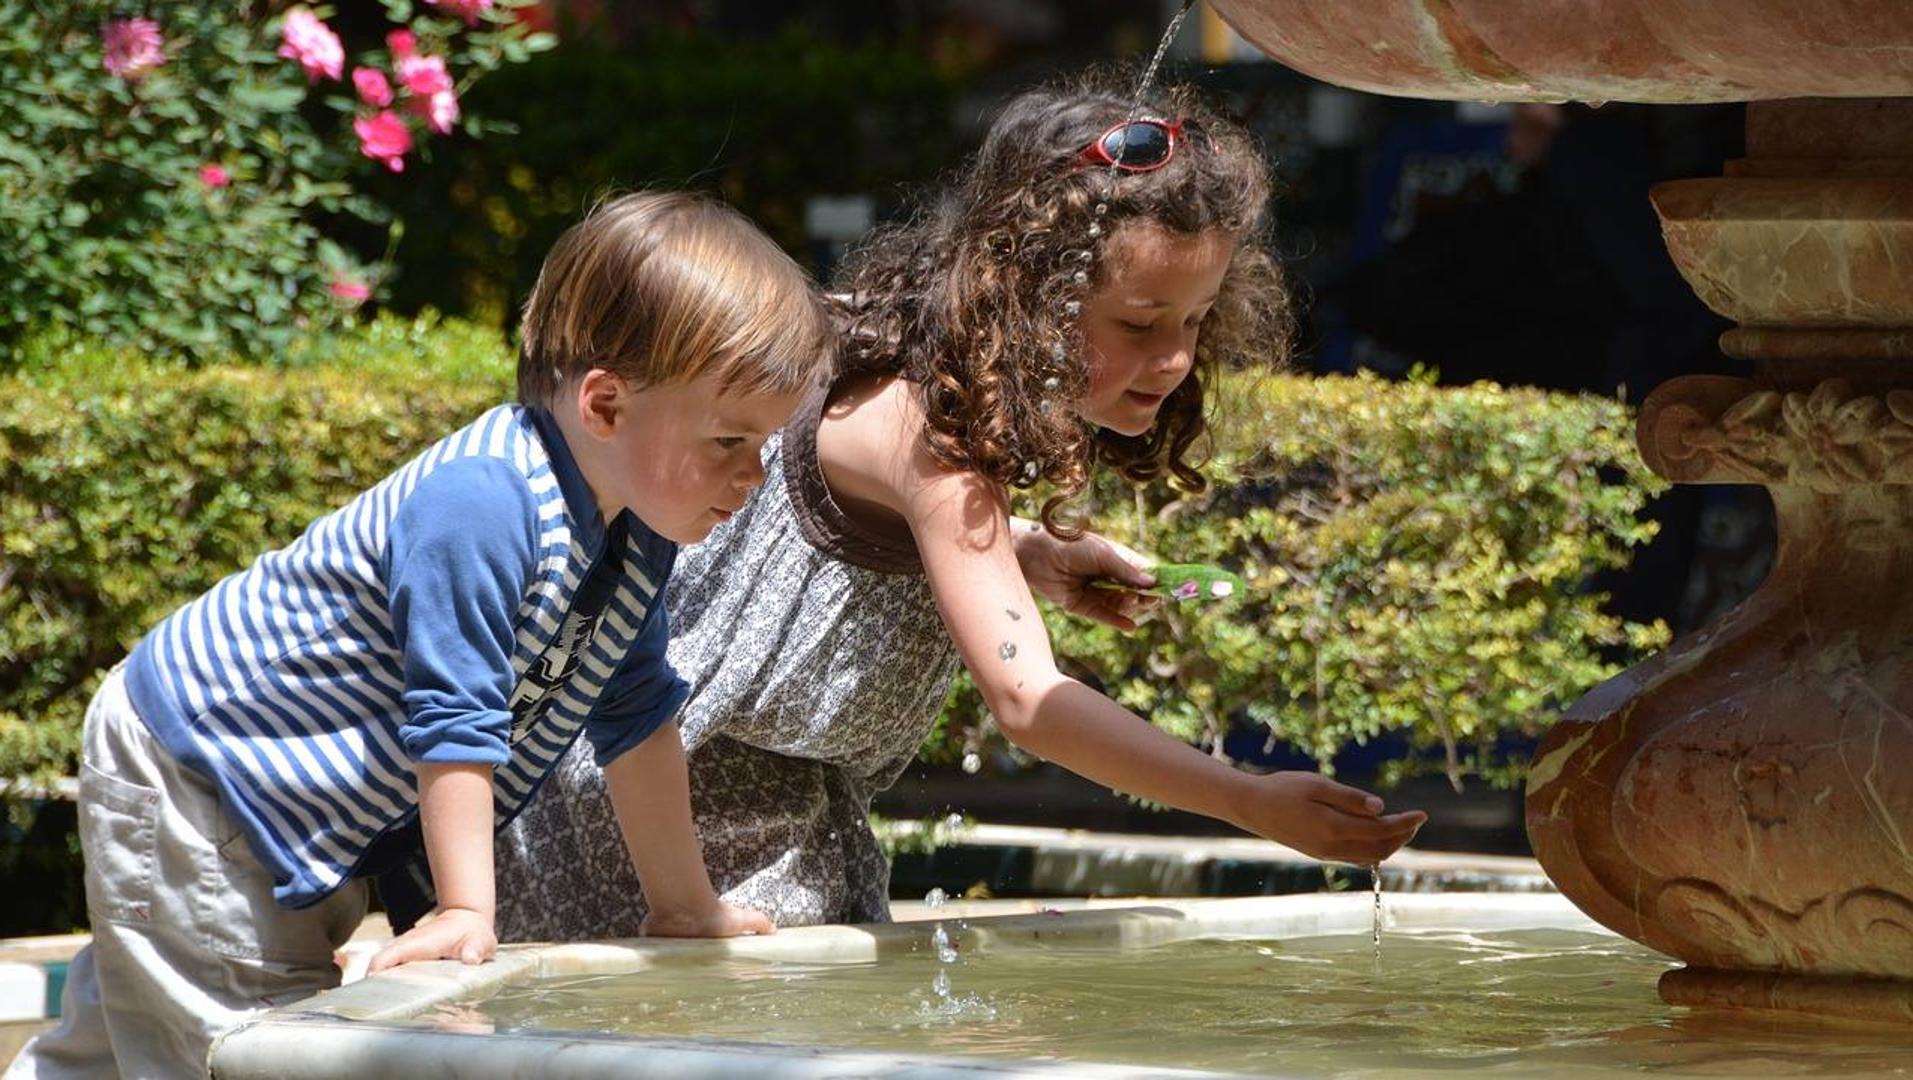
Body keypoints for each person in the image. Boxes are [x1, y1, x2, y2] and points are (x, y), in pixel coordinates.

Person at [487, 77, 1428, 941]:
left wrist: (1021, 550)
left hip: (734, 814)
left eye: (1195, 319)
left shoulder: (894, 350)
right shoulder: (931, 439)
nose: (1177, 358)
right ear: (1027, 297)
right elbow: (1029, 702)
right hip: (644, 829)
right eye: (1139, 323)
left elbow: (812, 526)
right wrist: (1246, 798)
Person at [8, 190, 826, 1080]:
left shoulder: (634, 537)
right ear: (604, 406)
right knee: (245, 1052)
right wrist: (467, 909)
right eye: (728, 441)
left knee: (119, 1041)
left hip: (287, 804)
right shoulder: (484, 501)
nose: (753, 474)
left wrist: (684, 905)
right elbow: (453, 714)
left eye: (763, 445)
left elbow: (635, 716)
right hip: (208, 775)